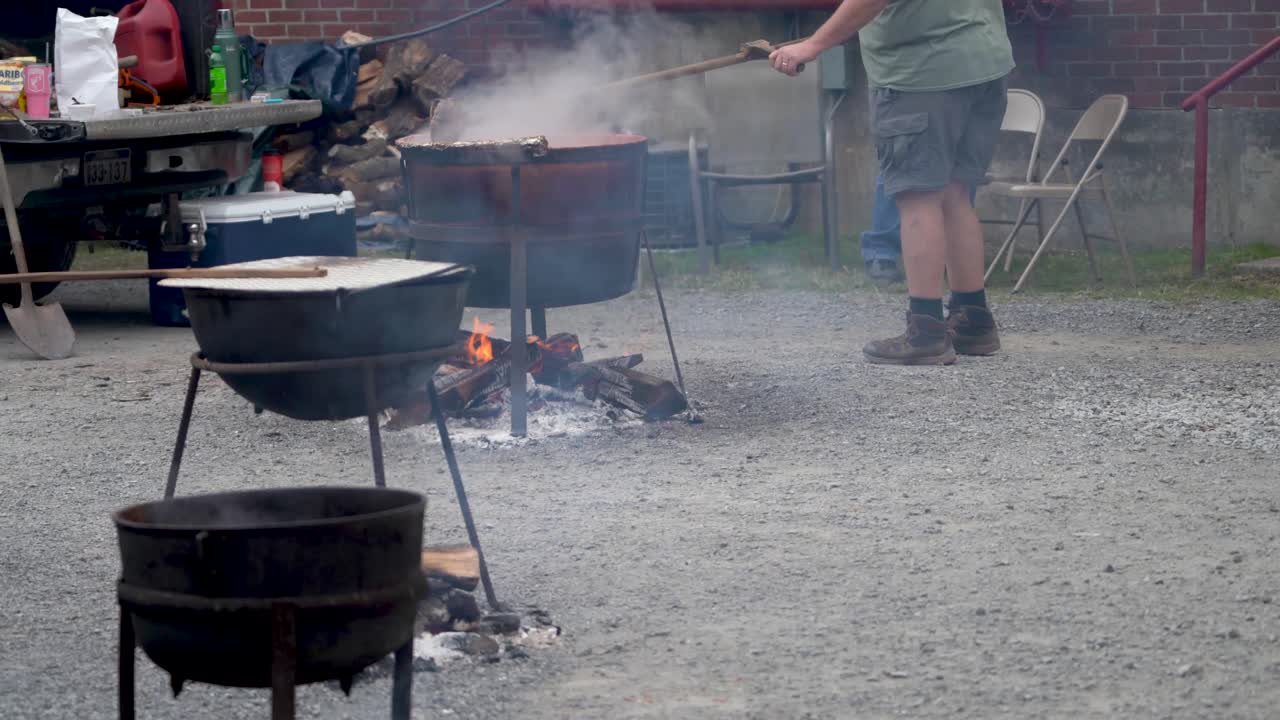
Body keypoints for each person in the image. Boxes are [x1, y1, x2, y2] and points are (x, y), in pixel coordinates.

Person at [771, 0, 1011, 365]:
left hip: (923, 75)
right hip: (984, 62)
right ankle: (973, 320)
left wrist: (813, 45)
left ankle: (927, 331)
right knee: (955, 195)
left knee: (918, 198)